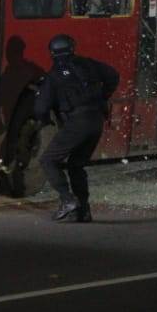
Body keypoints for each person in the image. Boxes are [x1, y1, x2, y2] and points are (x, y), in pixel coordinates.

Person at [33, 34, 119, 222]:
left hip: (76, 122)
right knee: (76, 165)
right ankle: (84, 211)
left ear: (52, 53)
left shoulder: (54, 76)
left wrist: (45, 120)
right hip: (96, 120)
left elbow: (40, 108)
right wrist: (102, 96)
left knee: (48, 160)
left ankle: (67, 200)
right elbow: (113, 75)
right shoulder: (88, 64)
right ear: (72, 48)